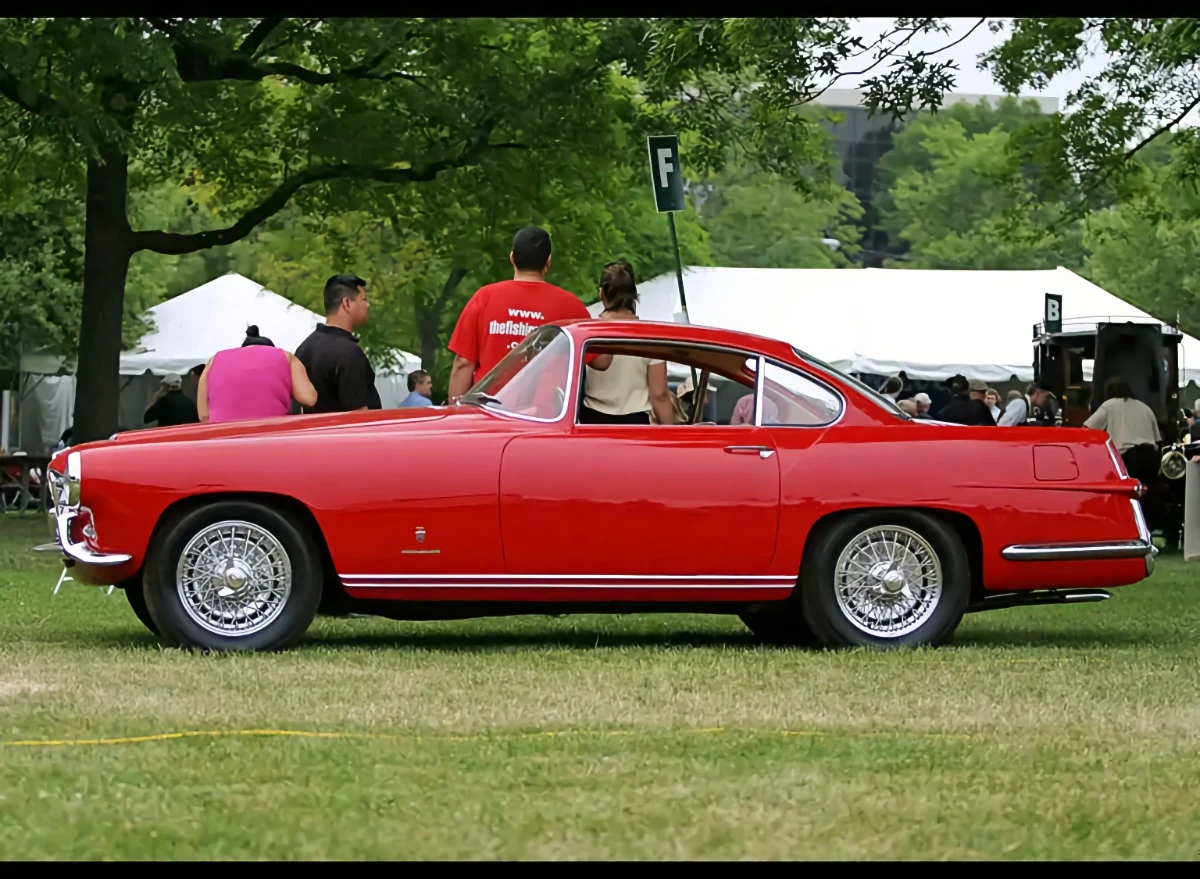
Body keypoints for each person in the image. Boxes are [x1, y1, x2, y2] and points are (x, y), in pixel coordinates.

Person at [446, 225, 593, 400]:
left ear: (512, 258)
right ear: (548, 262)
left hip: (489, 411)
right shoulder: (570, 306)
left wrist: (455, 409)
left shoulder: (484, 297)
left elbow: (463, 363)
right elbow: (602, 361)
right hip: (545, 417)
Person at [579, 261, 675, 426]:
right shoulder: (650, 336)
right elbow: (659, 394)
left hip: (592, 419)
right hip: (635, 422)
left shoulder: (587, 332)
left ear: (601, 293)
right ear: (634, 294)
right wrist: (673, 433)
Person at [295, 274, 382, 413]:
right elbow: (359, 418)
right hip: (345, 434)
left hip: (311, 433)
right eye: (363, 299)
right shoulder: (349, 353)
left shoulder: (304, 348)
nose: (368, 304)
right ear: (347, 303)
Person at [197, 325, 318, 423]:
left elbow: (203, 415)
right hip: (270, 436)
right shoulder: (286, 357)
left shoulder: (214, 360)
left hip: (222, 439)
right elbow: (309, 399)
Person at [1084, 377, 1162, 483]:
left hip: (1129, 460)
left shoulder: (1109, 405)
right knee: (1147, 494)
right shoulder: (1145, 407)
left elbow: (1087, 429)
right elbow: (1158, 439)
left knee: (1127, 496)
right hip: (1151, 458)